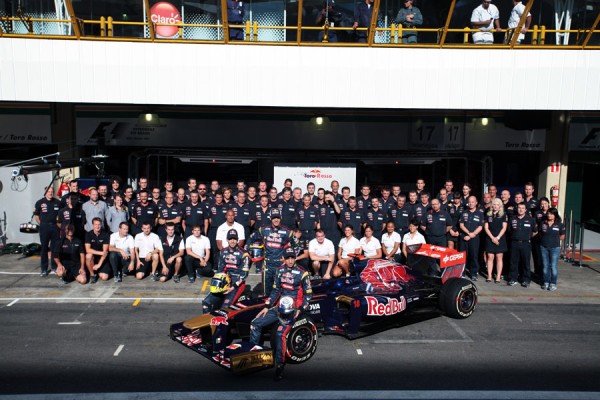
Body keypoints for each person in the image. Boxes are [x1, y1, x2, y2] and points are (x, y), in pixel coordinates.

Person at [250, 247, 312, 381]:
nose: (290, 260)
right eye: (288, 258)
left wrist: (300, 310)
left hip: (294, 310)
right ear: (284, 258)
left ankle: (279, 364)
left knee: (280, 334)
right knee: (255, 323)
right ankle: (253, 355)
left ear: (295, 258)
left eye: (292, 258)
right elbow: (276, 290)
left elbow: (308, 295)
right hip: (279, 307)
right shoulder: (279, 270)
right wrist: (267, 306)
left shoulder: (303, 273)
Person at [249, 208, 298, 296]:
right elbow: (251, 238)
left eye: (278, 218)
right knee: (266, 293)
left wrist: (290, 259)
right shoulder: (263, 229)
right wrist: (248, 251)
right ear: (270, 218)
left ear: (281, 218)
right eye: (274, 218)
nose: (276, 220)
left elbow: (297, 246)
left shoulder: (287, 232)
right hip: (268, 265)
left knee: (282, 292)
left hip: (281, 265)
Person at [202, 229, 250, 313]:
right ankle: (207, 323)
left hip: (237, 283)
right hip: (224, 281)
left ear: (237, 239)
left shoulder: (244, 254)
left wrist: (233, 287)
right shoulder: (223, 252)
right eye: (230, 239)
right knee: (206, 302)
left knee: (225, 308)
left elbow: (244, 274)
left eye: (234, 239)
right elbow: (220, 270)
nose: (232, 241)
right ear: (227, 239)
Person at [507, 202, 538, 287]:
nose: (520, 209)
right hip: (514, 243)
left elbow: (535, 231)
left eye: (522, 208)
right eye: (519, 208)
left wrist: (528, 237)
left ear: (525, 210)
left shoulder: (531, 220)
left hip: (525, 244)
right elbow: (509, 231)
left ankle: (526, 280)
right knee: (513, 263)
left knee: (526, 263)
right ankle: (513, 279)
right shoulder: (513, 219)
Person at [34, 186, 61, 276]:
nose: (50, 193)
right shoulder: (39, 202)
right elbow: (36, 216)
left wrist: (59, 225)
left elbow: (60, 216)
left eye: (51, 191)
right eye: (48, 191)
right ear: (45, 192)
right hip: (44, 227)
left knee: (54, 248)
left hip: (55, 227)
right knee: (44, 248)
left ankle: (54, 267)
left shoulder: (57, 202)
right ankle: (44, 269)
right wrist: (42, 224)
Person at [539, 208, 565, 291]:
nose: (549, 215)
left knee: (553, 266)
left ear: (555, 215)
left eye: (551, 214)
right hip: (544, 247)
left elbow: (562, 236)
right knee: (545, 266)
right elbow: (540, 234)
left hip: (555, 248)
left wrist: (554, 240)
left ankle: (553, 283)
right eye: (548, 213)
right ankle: (546, 282)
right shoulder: (543, 223)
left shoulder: (560, 225)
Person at [459, 196, 484, 281]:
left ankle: (474, 273)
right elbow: (461, 225)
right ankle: (462, 272)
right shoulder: (464, 212)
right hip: (464, 237)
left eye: (473, 202)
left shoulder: (480, 214)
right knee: (462, 256)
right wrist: (469, 233)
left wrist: (471, 235)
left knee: (474, 256)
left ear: (476, 203)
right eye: (469, 202)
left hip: (474, 238)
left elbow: (480, 227)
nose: (471, 203)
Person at [484, 198, 508, 283]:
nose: (495, 206)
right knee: (490, 257)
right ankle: (489, 275)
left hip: (500, 239)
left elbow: (504, 228)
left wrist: (497, 238)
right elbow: (486, 228)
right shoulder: (488, 214)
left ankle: (498, 276)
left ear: (500, 206)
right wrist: (492, 238)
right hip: (490, 238)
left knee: (499, 257)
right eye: (494, 204)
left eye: (497, 204)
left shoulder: (503, 215)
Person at [84, 217, 110, 283]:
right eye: (95, 224)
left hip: (102, 259)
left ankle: (98, 271)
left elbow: (105, 252)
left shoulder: (106, 234)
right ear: (93, 225)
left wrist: (99, 264)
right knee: (88, 256)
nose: (97, 226)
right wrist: (100, 253)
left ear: (101, 225)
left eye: (99, 224)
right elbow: (88, 250)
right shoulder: (88, 234)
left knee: (104, 278)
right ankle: (92, 275)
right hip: (93, 258)